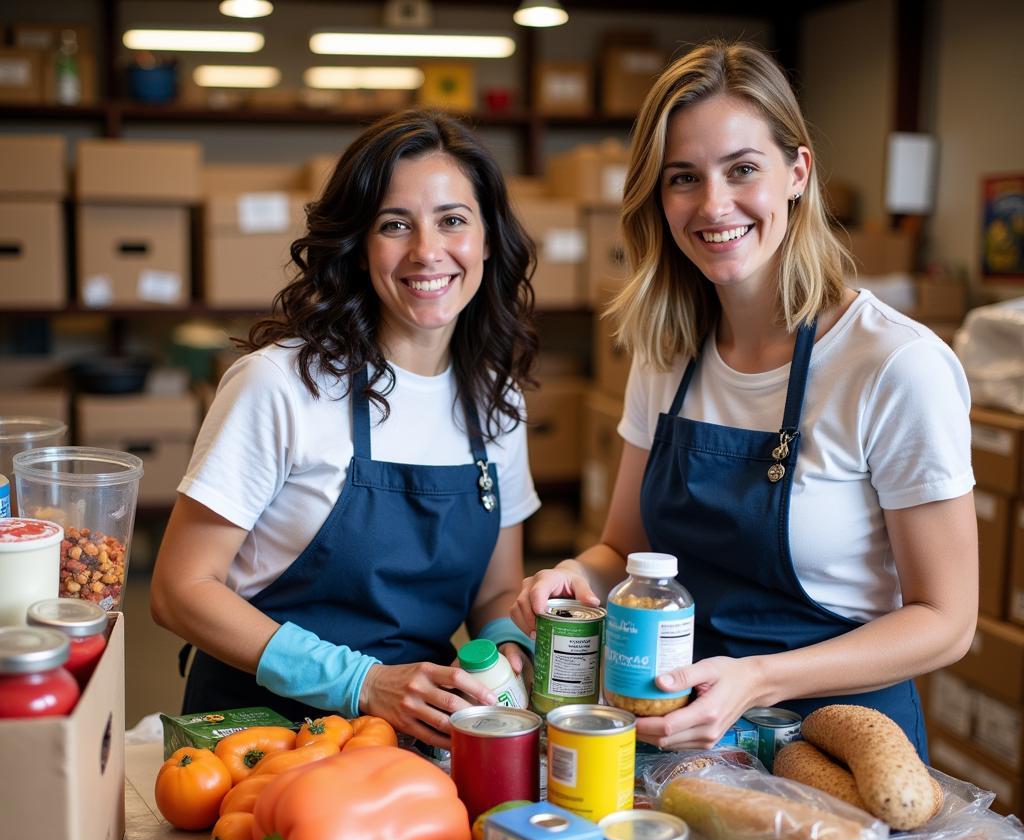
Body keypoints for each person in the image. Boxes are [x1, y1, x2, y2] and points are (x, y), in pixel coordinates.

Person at [512, 40, 977, 758]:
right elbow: (625, 548)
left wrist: (758, 680)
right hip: (685, 736)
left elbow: (947, 620)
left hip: (841, 748)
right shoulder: (667, 351)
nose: (713, 204)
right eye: (683, 178)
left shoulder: (893, 365)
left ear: (797, 172)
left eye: (742, 170)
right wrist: (574, 576)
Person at [151, 109, 540, 748]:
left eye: (452, 220)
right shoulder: (280, 386)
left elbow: (495, 591)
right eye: (395, 225)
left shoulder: (496, 402)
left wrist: (507, 651)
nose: (427, 251)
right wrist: (361, 682)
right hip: (259, 739)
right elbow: (178, 590)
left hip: (413, 746)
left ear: (488, 239)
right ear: (359, 248)